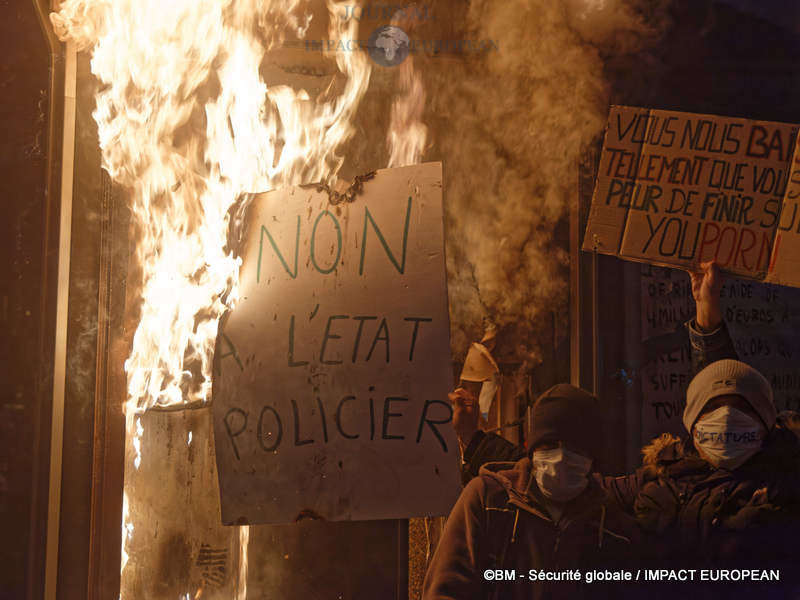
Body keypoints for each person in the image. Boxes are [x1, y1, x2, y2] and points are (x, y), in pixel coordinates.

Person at [423, 384, 640, 600]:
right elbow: (444, 589)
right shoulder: (488, 501)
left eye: (575, 446)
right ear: (533, 449)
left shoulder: (610, 527)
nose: (561, 456)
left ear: (592, 455)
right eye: (550, 445)